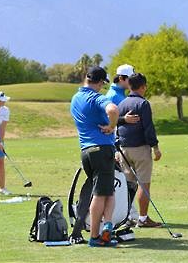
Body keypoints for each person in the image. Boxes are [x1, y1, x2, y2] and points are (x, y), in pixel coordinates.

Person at [70, 66, 119, 247]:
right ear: (99, 82)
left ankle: (107, 227)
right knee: (100, 194)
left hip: (86, 151)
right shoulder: (96, 97)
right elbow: (113, 110)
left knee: (107, 192)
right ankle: (95, 237)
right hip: (102, 149)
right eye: (102, 85)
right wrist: (112, 126)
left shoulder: (75, 98)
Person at [116, 73, 163, 228]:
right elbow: (148, 128)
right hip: (140, 149)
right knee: (144, 184)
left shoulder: (121, 103)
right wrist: (155, 147)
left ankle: (128, 216)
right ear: (143, 87)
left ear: (129, 86)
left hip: (123, 149)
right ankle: (142, 218)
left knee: (129, 185)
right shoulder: (143, 104)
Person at [105, 63, 141, 225]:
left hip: (122, 144)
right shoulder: (112, 96)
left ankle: (130, 215)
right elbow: (106, 120)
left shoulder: (121, 94)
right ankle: (129, 216)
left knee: (128, 180)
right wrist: (123, 120)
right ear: (121, 79)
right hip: (115, 145)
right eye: (129, 79)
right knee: (126, 180)